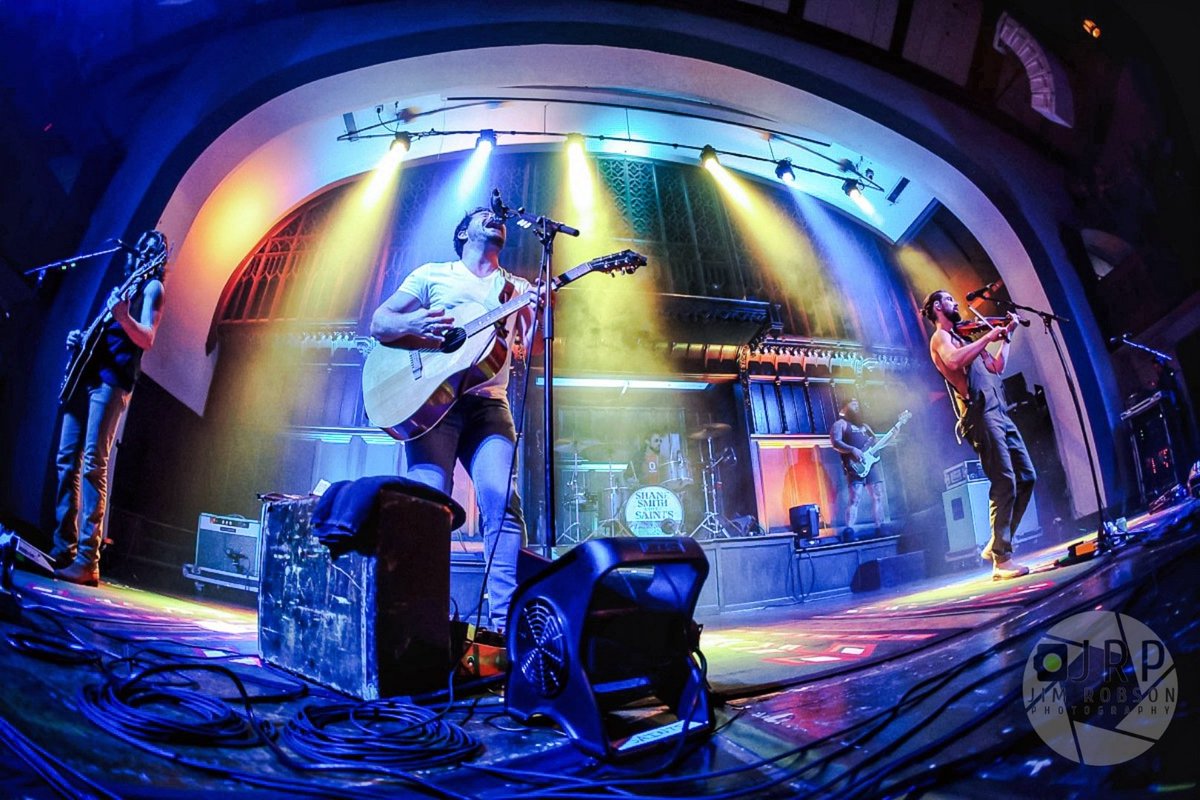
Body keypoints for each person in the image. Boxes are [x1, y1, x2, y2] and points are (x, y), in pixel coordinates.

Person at [369, 206, 532, 632]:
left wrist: (539, 315)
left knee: (502, 502)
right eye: (483, 215)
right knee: (428, 505)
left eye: (498, 218)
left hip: (488, 404)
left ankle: (503, 629)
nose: (494, 219)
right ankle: (421, 621)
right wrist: (414, 321)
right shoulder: (432, 275)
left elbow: (527, 349)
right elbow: (380, 324)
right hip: (430, 402)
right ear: (463, 232)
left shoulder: (517, 288)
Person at [52, 230, 168, 586]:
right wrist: (79, 340)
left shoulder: (152, 289)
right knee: (65, 460)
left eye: (150, 244)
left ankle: (89, 560)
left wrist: (123, 317)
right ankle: (63, 548)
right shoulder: (122, 287)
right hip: (85, 377)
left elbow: (146, 337)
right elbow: (101, 336)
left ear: (157, 256)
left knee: (93, 466)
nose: (140, 247)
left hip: (111, 382)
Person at [923, 289, 1033, 580]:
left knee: (1027, 476)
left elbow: (996, 368)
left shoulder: (967, 339)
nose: (955, 303)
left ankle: (999, 542)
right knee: (1005, 479)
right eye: (949, 300)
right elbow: (955, 362)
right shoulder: (941, 338)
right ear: (936, 307)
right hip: (980, 415)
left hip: (1000, 412)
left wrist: (1006, 338)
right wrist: (987, 336)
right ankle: (1002, 559)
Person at [829, 397, 885, 535]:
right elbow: (835, 442)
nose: (856, 406)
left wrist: (892, 435)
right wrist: (852, 449)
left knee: (878, 495)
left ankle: (880, 526)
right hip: (855, 466)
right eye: (852, 404)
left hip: (870, 464)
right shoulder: (840, 424)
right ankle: (849, 529)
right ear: (845, 408)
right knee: (855, 497)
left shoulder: (865, 427)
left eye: (857, 404)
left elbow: (877, 441)